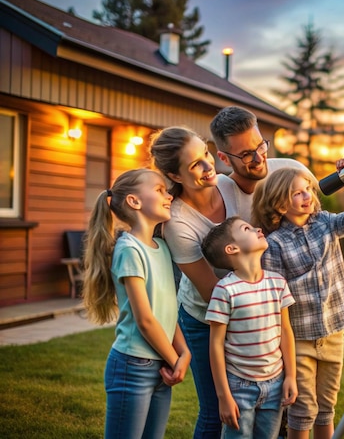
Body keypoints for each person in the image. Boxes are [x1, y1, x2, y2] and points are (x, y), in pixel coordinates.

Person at [251, 159, 344, 439]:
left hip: (334, 333)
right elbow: (276, 299)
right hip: (300, 340)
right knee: (303, 408)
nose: (307, 195)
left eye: (308, 188)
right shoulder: (274, 244)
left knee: (326, 407)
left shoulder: (326, 223)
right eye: (297, 193)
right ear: (280, 205)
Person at [82, 168, 191, 439]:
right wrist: (173, 358)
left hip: (161, 366)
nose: (169, 196)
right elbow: (145, 320)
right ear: (134, 201)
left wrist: (184, 353)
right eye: (159, 190)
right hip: (133, 366)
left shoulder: (162, 248)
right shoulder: (130, 249)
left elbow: (166, 311)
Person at [150, 126, 236, 438]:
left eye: (206, 154)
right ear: (174, 176)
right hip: (204, 318)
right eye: (194, 164)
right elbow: (212, 291)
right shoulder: (177, 221)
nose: (208, 165)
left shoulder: (231, 186)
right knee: (215, 411)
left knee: (256, 404)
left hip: (250, 308)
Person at [201, 217, 298, 438]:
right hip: (239, 385)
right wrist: (224, 396)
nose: (257, 228)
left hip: (275, 383)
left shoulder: (278, 283)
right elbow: (216, 345)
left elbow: (285, 331)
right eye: (247, 228)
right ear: (232, 248)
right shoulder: (225, 290)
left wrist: (290, 376)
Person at [210, 105, 308, 223]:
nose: (259, 158)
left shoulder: (292, 170)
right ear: (224, 159)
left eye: (261, 146)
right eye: (247, 154)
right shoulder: (220, 199)